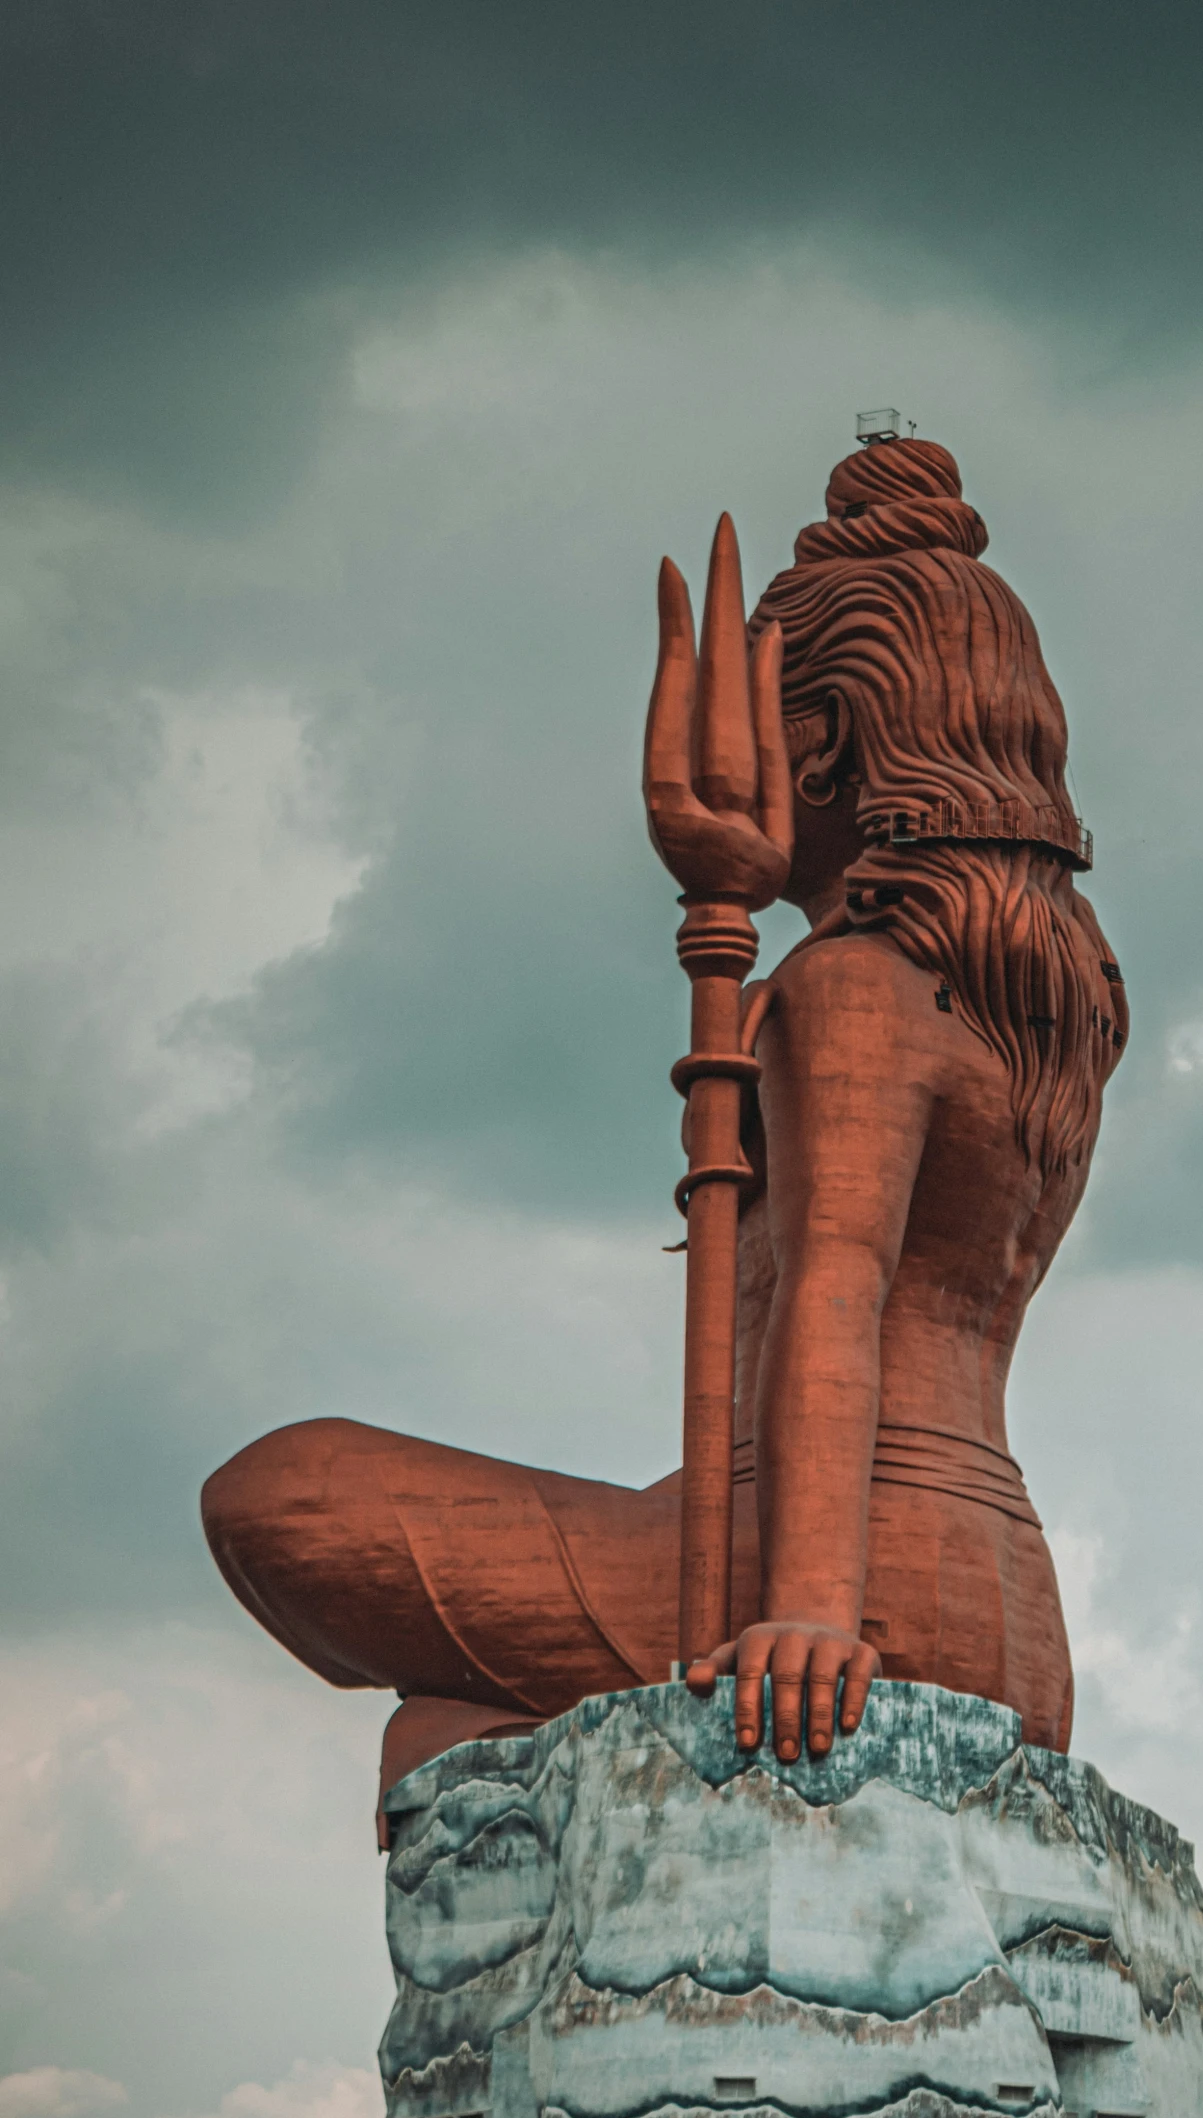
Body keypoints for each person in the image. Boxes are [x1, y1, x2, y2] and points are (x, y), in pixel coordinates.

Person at [201, 437, 1126, 1801]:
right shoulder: (1058, 1006)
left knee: (279, 1492)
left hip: (835, 1582)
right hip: (1008, 1606)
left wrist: (809, 1611)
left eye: (768, 717)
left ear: (824, 743)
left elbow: (838, 1286)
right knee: (442, 1739)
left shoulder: (858, 985)